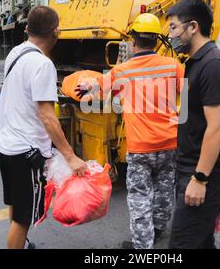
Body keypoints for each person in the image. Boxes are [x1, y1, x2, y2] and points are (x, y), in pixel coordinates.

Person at [76, 13, 184, 249]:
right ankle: (158, 228)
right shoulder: (173, 66)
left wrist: (85, 87)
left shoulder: (122, 71)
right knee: (164, 189)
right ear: (157, 40)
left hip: (140, 148)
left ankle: (142, 245)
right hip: (170, 143)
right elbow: (187, 96)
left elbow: (98, 90)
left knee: (139, 196)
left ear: (133, 40)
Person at [0, 6, 88, 249]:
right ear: (56, 32)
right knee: (23, 219)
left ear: (27, 29)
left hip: (5, 146)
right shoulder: (42, 64)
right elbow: (47, 117)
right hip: (26, 152)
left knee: (17, 207)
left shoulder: (16, 52)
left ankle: (20, 244)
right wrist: (70, 156)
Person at [166, 0, 220, 249]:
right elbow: (192, 115)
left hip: (202, 175)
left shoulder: (214, 65)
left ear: (193, 27)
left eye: (174, 28)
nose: (170, 35)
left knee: (182, 243)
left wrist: (200, 179)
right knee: (200, 241)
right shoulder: (195, 63)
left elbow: (217, 127)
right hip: (189, 166)